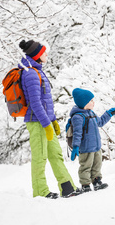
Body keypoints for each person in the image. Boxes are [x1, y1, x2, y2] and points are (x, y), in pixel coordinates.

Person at [19, 39, 81, 199]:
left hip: (45, 121)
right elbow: (35, 103)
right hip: (37, 121)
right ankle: (40, 192)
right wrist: (47, 124)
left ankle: (67, 187)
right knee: (40, 156)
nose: (46, 54)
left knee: (56, 154)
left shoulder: (38, 71)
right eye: (44, 52)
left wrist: (52, 120)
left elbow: (46, 102)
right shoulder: (30, 73)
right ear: (37, 55)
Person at [70, 88, 115, 192]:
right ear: (84, 103)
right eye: (91, 101)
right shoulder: (78, 117)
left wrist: (110, 113)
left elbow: (101, 122)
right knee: (86, 166)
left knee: (97, 164)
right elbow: (77, 133)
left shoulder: (91, 113)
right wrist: (75, 146)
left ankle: (97, 181)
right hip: (86, 148)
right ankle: (85, 185)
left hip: (96, 147)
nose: (93, 102)